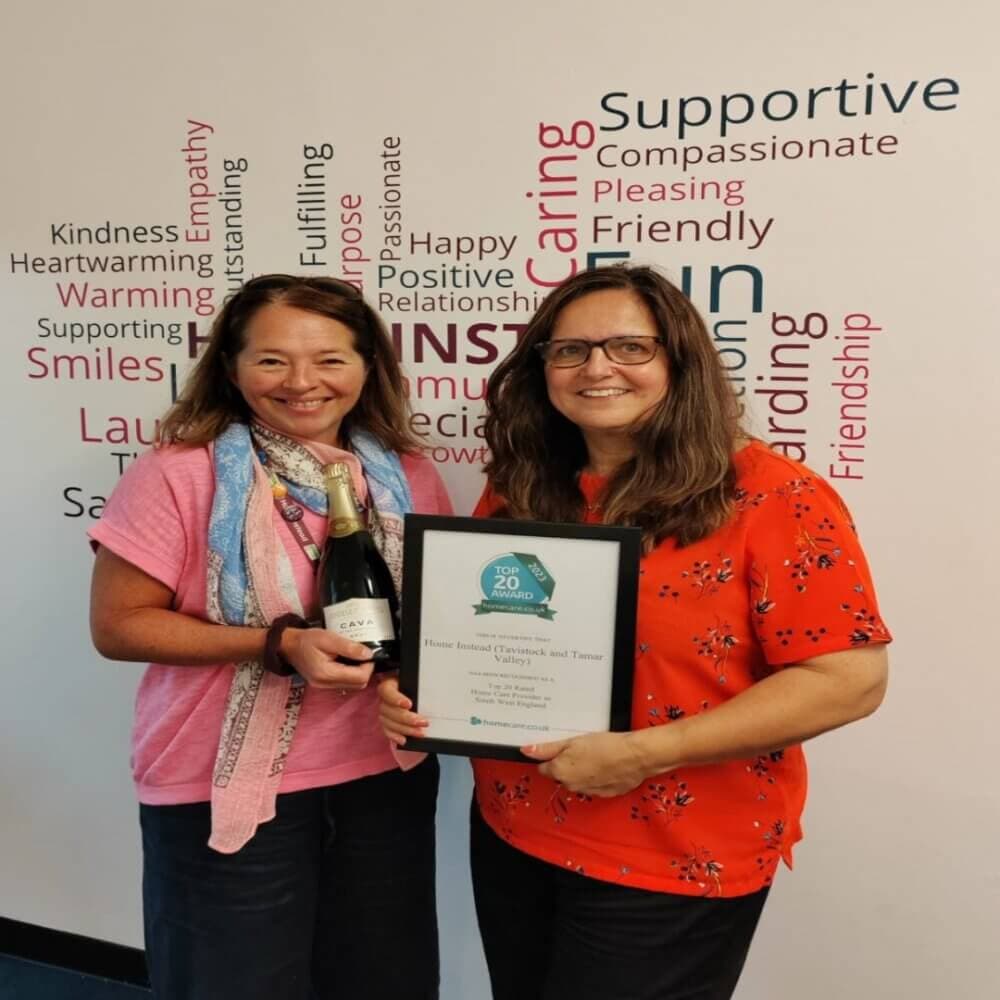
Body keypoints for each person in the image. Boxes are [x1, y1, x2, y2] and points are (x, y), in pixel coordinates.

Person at [378, 264, 890, 1000]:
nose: (597, 368)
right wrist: (420, 692)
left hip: (673, 857)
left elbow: (851, 680)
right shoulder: (523, 485)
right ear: (541, 368)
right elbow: (480, 632)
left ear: (679, 362)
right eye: (569, 350)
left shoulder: (776, 497)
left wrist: (647, 754)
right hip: (514, 831)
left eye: (629, 347)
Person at [88, 275, 450, 1000]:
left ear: (368, 366)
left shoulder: (406, 474)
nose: (303, 382)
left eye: (330, 359)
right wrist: (277, 645)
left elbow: (434, 619)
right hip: (219, 782)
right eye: (272, 359)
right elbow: (117, 625)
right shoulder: (179, 473)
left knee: (384, 982)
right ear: (230, 366)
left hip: (383, 777)